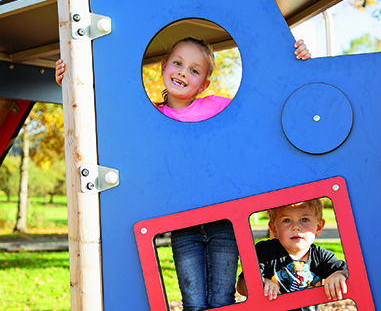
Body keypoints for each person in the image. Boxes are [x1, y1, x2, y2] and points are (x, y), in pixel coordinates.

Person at [55, 37, 311, 310]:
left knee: (222, 300)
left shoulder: (215, 106)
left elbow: (263, 104)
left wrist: (297, 65)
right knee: (193, 303)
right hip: (182, 221)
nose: (182, 72)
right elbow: (104, 110)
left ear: (204, 85)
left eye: (194, 70)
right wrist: (71, 82)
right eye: (177, 63)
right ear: (163, 67)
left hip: (224, 220)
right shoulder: (148, 115)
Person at [236, 199, 348, 311]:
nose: (296, 227)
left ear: (318, 227)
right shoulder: (265, 251)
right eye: (286, 220)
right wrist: (262, 282)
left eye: (304, 220)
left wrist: (338, 275)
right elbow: (241, 285)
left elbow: (347, 272)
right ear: (274, 229)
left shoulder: (321, 256)